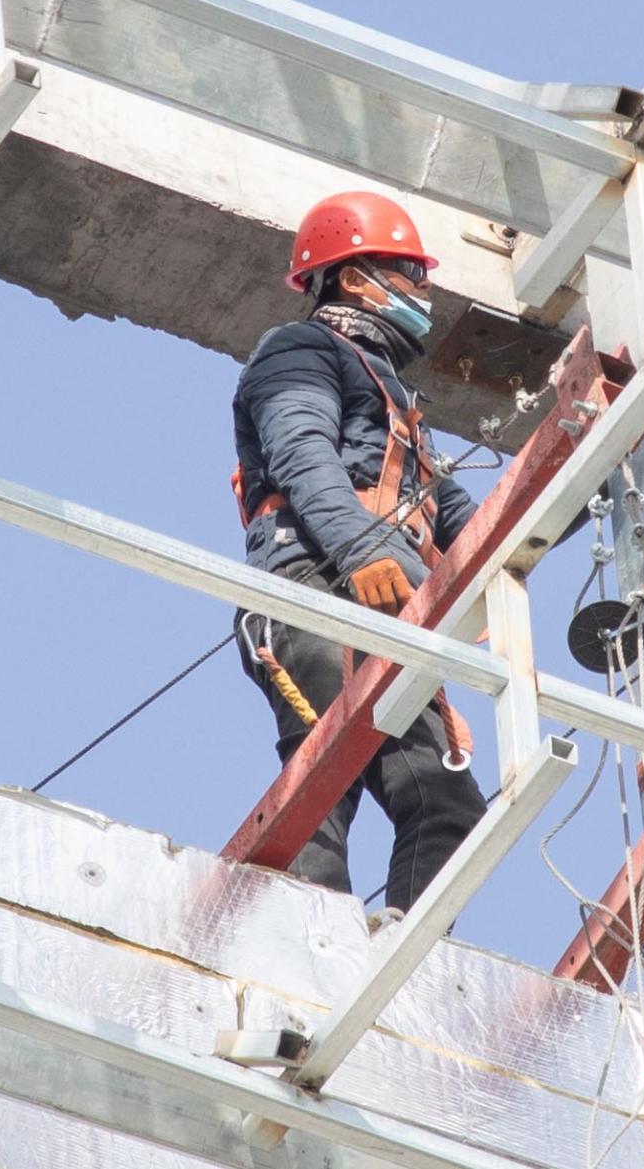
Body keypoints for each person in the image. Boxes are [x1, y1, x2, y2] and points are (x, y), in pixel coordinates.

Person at [228, 189, 487, 913]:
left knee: (449, 807)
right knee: (321, 786)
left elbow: (468, 527)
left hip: (386, 610)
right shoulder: (300, 351)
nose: (424, 290)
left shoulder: (399, 406)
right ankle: (316, 949)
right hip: (313, 583)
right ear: (352, 276)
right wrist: (359, 548)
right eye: (410, 270)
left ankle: (404, 960)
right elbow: (302, 454)